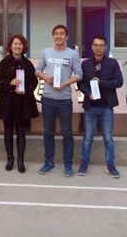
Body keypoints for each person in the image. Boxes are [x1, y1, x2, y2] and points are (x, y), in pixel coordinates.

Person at [35, 24, 83, 177]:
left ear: (67, 36)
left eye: (62, 33)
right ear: (53, 36)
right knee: (48, 132)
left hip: (64, 100)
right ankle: (49, 162)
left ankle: (68, 164)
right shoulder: (46, 52)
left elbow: (79, 74)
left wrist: (65, 83)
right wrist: (45, 77)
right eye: (56, 33)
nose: (59, 36)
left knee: (67, 132)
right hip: (47, 99)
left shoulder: (72, 54)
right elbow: (37, 70)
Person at [76, 35, 123, 179]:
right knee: (88, 137)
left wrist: (101, 82)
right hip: (90, 106)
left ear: (105, 47)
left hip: (107, 106)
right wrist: (88, 93)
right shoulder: (85, 64)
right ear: (91, 47)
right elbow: (80, 83)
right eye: (96, 45)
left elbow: (119, 82)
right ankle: (84, 164)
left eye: (101, 45)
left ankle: (111, 166)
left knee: (108, 137)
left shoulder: (112, 63)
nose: (98, 48)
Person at [0, 34, 39, 173]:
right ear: (10, 46)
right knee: (8, 130)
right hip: (8, 101)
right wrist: (9, 83)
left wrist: (26, 90)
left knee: (21, 131)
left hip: (23, 102)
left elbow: (34, 81)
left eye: (20, 44)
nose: (18, 46)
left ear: (23, 46)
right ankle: (10, 159)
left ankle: (21, 160)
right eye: (15, 44)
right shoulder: (4, 63)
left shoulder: (28, 63)